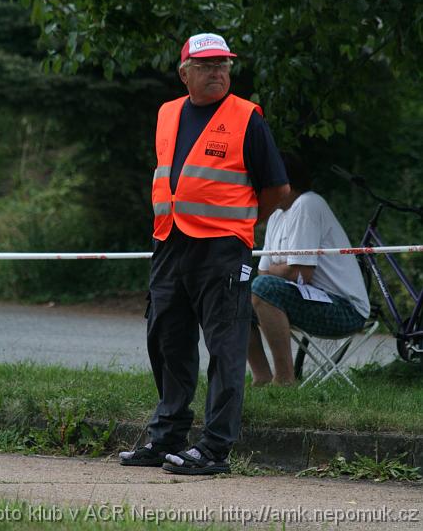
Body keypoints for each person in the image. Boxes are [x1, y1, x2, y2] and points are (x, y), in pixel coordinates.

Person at [119, 32, 290, 474]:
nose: (217, 72)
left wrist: (242, 227)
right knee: (167, 340)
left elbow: (277, 188)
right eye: (207, 65)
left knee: (226, 347)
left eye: (224, 64)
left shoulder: (247, 117)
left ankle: (214, 448)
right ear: (185, 73)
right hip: (170, 243)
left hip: (222, 249)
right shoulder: (166, 113)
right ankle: (168, 438)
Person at [248, 153, 370, 386]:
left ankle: (284, 380)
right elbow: (266, 272)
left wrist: (278, 270)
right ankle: (261, 378)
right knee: (234, 296)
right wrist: (280, 269)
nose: (258, 187)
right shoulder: (276, 215)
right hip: (312, 299)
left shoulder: (307, 204)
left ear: (282, 182)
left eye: (264, 180)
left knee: (263, 288)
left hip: (345, 309)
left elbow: (300, 274)